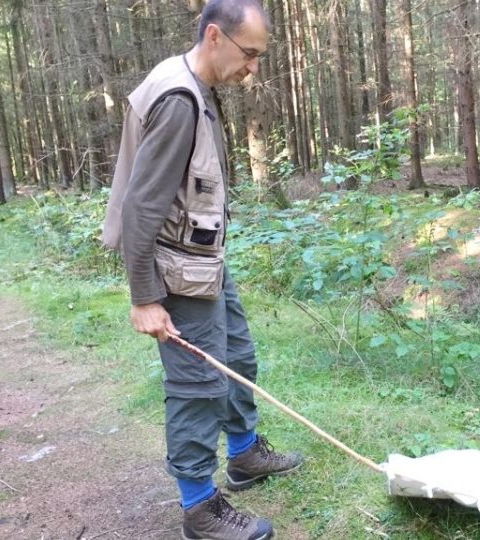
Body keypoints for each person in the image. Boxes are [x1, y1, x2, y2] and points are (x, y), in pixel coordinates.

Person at [101, 1, 302, 539]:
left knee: (237, 353)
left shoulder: (194, 85)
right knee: (198, 384)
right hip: (175, 270)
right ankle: (199, 507)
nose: (252, 68)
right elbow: (140, 206)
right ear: (215, 36)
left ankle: (244, 454)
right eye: (249, 54)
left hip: (203, 258)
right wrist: (145, 297)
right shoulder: (179, 101)